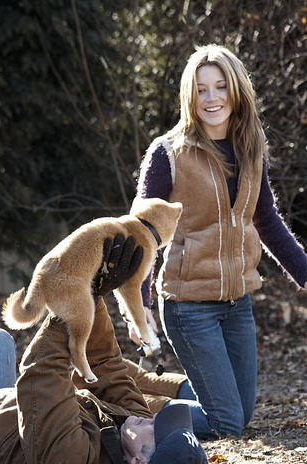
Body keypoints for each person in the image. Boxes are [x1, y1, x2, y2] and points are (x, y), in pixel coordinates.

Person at [0, 236, 208, 464]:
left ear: (140, 463)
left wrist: (71, 299)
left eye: (157, 427)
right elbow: (104, 364)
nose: (152, 417)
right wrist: (91, 288)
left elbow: (40, 376)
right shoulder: (133, 426)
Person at [131, 44, 307, 441]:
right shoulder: (168, 154)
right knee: (226, 423)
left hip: (237, 302)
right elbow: (142, 233)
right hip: (188, 305)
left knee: (240, 415)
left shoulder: (250, 149)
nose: (211, 98)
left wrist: (305, 275)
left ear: (236, 91)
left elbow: (267, 221)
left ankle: (164, 389)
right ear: (189, 96)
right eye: (201, 89)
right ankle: (129, 413)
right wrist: (138, 305)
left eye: (220, 87)